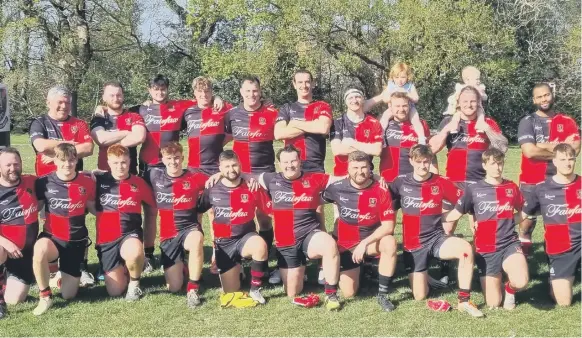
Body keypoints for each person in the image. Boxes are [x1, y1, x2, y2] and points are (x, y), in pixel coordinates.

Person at [388, 144, 483, 317]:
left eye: (426, 161)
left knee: (466, 250)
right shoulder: (400, 182)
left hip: (436, 237)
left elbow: (465, 201)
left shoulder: (440, 182)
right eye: (419, 162)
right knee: (419, 295)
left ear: (431, 161)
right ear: (411, 161)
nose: (423, 166)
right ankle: (425, 277)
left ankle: (463, 300)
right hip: (413, 244)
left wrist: (449, 217)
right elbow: (383, 200)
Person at [257, 145, 342, 311]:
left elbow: (342, 179)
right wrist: (218, 174)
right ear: (279, 164)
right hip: (285, 241)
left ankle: (331, 294)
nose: (290, 165)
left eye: (293, 161)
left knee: (329, 244)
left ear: (300, 161)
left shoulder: (314, 178)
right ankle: (300, 269)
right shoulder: (269, 179)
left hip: (309, 233)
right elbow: (243, 176)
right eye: (285, 162)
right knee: (293, 292)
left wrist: (373, 176)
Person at [445, 148, 529, 310]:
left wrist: (509, 221)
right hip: (485, 249)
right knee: (493, 303)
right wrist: (435, 219)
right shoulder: (473, 189)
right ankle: (490, 275)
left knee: (521, 281)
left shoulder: (511, 187)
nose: (497, 168)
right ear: (484, 165)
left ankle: (510, 289)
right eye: (492, 164)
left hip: (508, 244)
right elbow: (456, 213)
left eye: (500, 163)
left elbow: (523, 212)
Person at [29, 85, 95, 286]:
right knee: (48, 223)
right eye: (59, 102)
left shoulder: (80, 123)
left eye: (67, 102)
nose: (64, 106)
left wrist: (58, 149)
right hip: (48, 183)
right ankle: (51, 269)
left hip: (75, 182)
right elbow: (40, 146)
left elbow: (89, 148)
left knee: (78, 223)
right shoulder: (39, 122)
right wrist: (71, 145)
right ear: (48, 102)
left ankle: (80, 267)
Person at [274, 69, 333, 285]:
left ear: (313, 83)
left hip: (314, 166)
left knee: (317, 212)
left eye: (307, 81)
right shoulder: (287, 108)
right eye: (300, 82)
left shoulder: (322, 106)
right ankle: (291, 261)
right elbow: (279, 133)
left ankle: (322, 266)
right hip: (291, 167)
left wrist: (296, 124)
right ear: (294, 84)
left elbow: (323, 127)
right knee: (289, 214)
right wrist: (309, 126)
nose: (304, 86)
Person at [322, 151, 398, 312]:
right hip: (345, 245)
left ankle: (382, 294)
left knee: (390, 242)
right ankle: (365, 268)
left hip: (369, 243)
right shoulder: (336, 188)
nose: (360, 171)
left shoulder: (381, 189)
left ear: (370, 168)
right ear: (348, 168)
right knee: (349, 293)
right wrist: (320, 230)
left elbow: (388, 226)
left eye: (364, 167)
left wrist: (364, 243)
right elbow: (314, 201)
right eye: (355, 167)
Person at [198, 150, 270, 306]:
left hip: (246, 237)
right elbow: (197, 209)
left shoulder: (251, 186)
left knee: (260, 245)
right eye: (227, 166)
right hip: (224, 243)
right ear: (220, 168)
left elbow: (271, 210)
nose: (231, 170)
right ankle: (238, 269)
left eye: (234, 165)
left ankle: (255, 288)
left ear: (240, 165)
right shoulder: (212, 187)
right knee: (231, 292)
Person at [32, 144, 96, 316]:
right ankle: (45, 296)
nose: (67, 164)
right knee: (39, 249)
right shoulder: (43, 182)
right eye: (62, 160)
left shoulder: (87, 182)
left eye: (71, 160)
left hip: (75, 241)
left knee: (68, 295)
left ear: (76, 160)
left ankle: (59, 279)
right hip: (53, 238)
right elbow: (33, 208)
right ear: (55, 160)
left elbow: (94, 209)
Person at [516, 83, 580, 254]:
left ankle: (555, 265)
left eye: (546, 95)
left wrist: (543, 145)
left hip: (559, 182)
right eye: (539, 96)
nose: (544, 99)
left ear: (552, 95)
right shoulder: (527, 121)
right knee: (526, 224)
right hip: (531, 182)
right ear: (534, 100)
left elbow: (574, 150)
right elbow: (529, 152)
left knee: (555, 226)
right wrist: (560, 150)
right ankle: (523, 264)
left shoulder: (567, 121)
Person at [224, 75, 278, 279]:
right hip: (239, 174)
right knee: (242, 215)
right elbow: (223, 136)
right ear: (241, 92)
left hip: (264, 172)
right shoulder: (232, 114)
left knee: (265, 217)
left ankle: (265, 252)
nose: (251, 95)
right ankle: (245, 252)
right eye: (247, 91)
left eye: (255, 91)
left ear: (260, 91)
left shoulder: (271, 112)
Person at [520, 143, 581, 306]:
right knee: (564, 303)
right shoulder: (541, 188)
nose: (567, 163)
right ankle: (556, 279)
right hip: (561, 247)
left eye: (571, 159)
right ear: (554, 161)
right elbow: (523, 214)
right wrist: (499, 221)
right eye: (562, 159)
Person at [93, 144, 155, 301]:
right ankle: (124, 268)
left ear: (130, 161)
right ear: (108, 162)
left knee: (134, 253)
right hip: (106, 238)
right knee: (115, 291)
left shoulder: (139, 183)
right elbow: (74, 176)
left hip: (130, 233)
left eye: (123, 162)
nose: (120, 166)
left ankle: (135, 285)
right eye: (115, 163)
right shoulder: (98, 180)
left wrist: (148, 246)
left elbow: (152, 209)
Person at [148, 142, 206, 308]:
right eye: (169, 158)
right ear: (162, 159)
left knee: (196, 240)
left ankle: (193, 288)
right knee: (174, 288)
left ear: (182, 158)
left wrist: (218, 176)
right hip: (168, 235)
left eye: (177, 158)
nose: (173, 162)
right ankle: (183, 268)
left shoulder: (194, 177)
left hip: (189, 229)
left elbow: (217, 181)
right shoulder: (154, 175)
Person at [0, 148, 39, 319]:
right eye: (7, 164)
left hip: (24, 254)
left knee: (15, 300)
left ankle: (8, 282)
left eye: (16, 163)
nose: (12, 168)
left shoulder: (32, 181)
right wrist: (6, 242)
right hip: (4, 249)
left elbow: (59, 178)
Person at [90, 81, 146, 175]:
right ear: (104, 97)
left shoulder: (133, 116)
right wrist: (127, 133)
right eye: (111, 95)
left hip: (129, 173)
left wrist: (111, 141)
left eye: (119, 95)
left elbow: (139, 137)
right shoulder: (99, 118)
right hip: (105, 174)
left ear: (123, 96)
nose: (116, 99)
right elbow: (101, 140)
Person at [380, 92, 436, 183]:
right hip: (388, 180)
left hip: (414, 180)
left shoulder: (421, 125)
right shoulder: (382, 126)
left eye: (404, 105)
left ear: (410, 106)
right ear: (390, 107)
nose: (401, 109)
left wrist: (433, 178)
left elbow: (429, 153)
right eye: (397, 106)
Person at [330, 88, 383, 177]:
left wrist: (351, 143)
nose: (354, 100)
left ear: (363, 99)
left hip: (365, 176)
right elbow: (337, 150)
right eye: (350, 98)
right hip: (341, 176)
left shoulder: (373, 122)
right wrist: (367, 148)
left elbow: (377, 151)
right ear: (345, 101)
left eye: (358, 97)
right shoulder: (337, 122)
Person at [378, 62, 426, 144]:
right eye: (397, 77)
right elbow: (385, 99)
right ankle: (381, 136)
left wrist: (407, 93)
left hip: (409, 107)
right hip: (393, 108)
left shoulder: (410, 86)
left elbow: (416, 98)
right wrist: (393, 96)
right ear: (393, 77)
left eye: (403, 77)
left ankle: (421, 138)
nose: (400, 80)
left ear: (408, 77)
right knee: (384, 117)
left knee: (415, 120)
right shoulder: (391, 86)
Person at [443, 66, 488, 133]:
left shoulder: (479, 88)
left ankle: (480, 125)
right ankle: (453, 126)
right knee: (456, 115)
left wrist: (480, 92)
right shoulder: (461, 88)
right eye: (477, 79)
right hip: (461, 108)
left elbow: (485, 98)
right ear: (467, 80)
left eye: (479, 79)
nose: (479, 81)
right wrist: (453, 101)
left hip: (477, 107)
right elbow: (455, 96)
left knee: (481, 114)